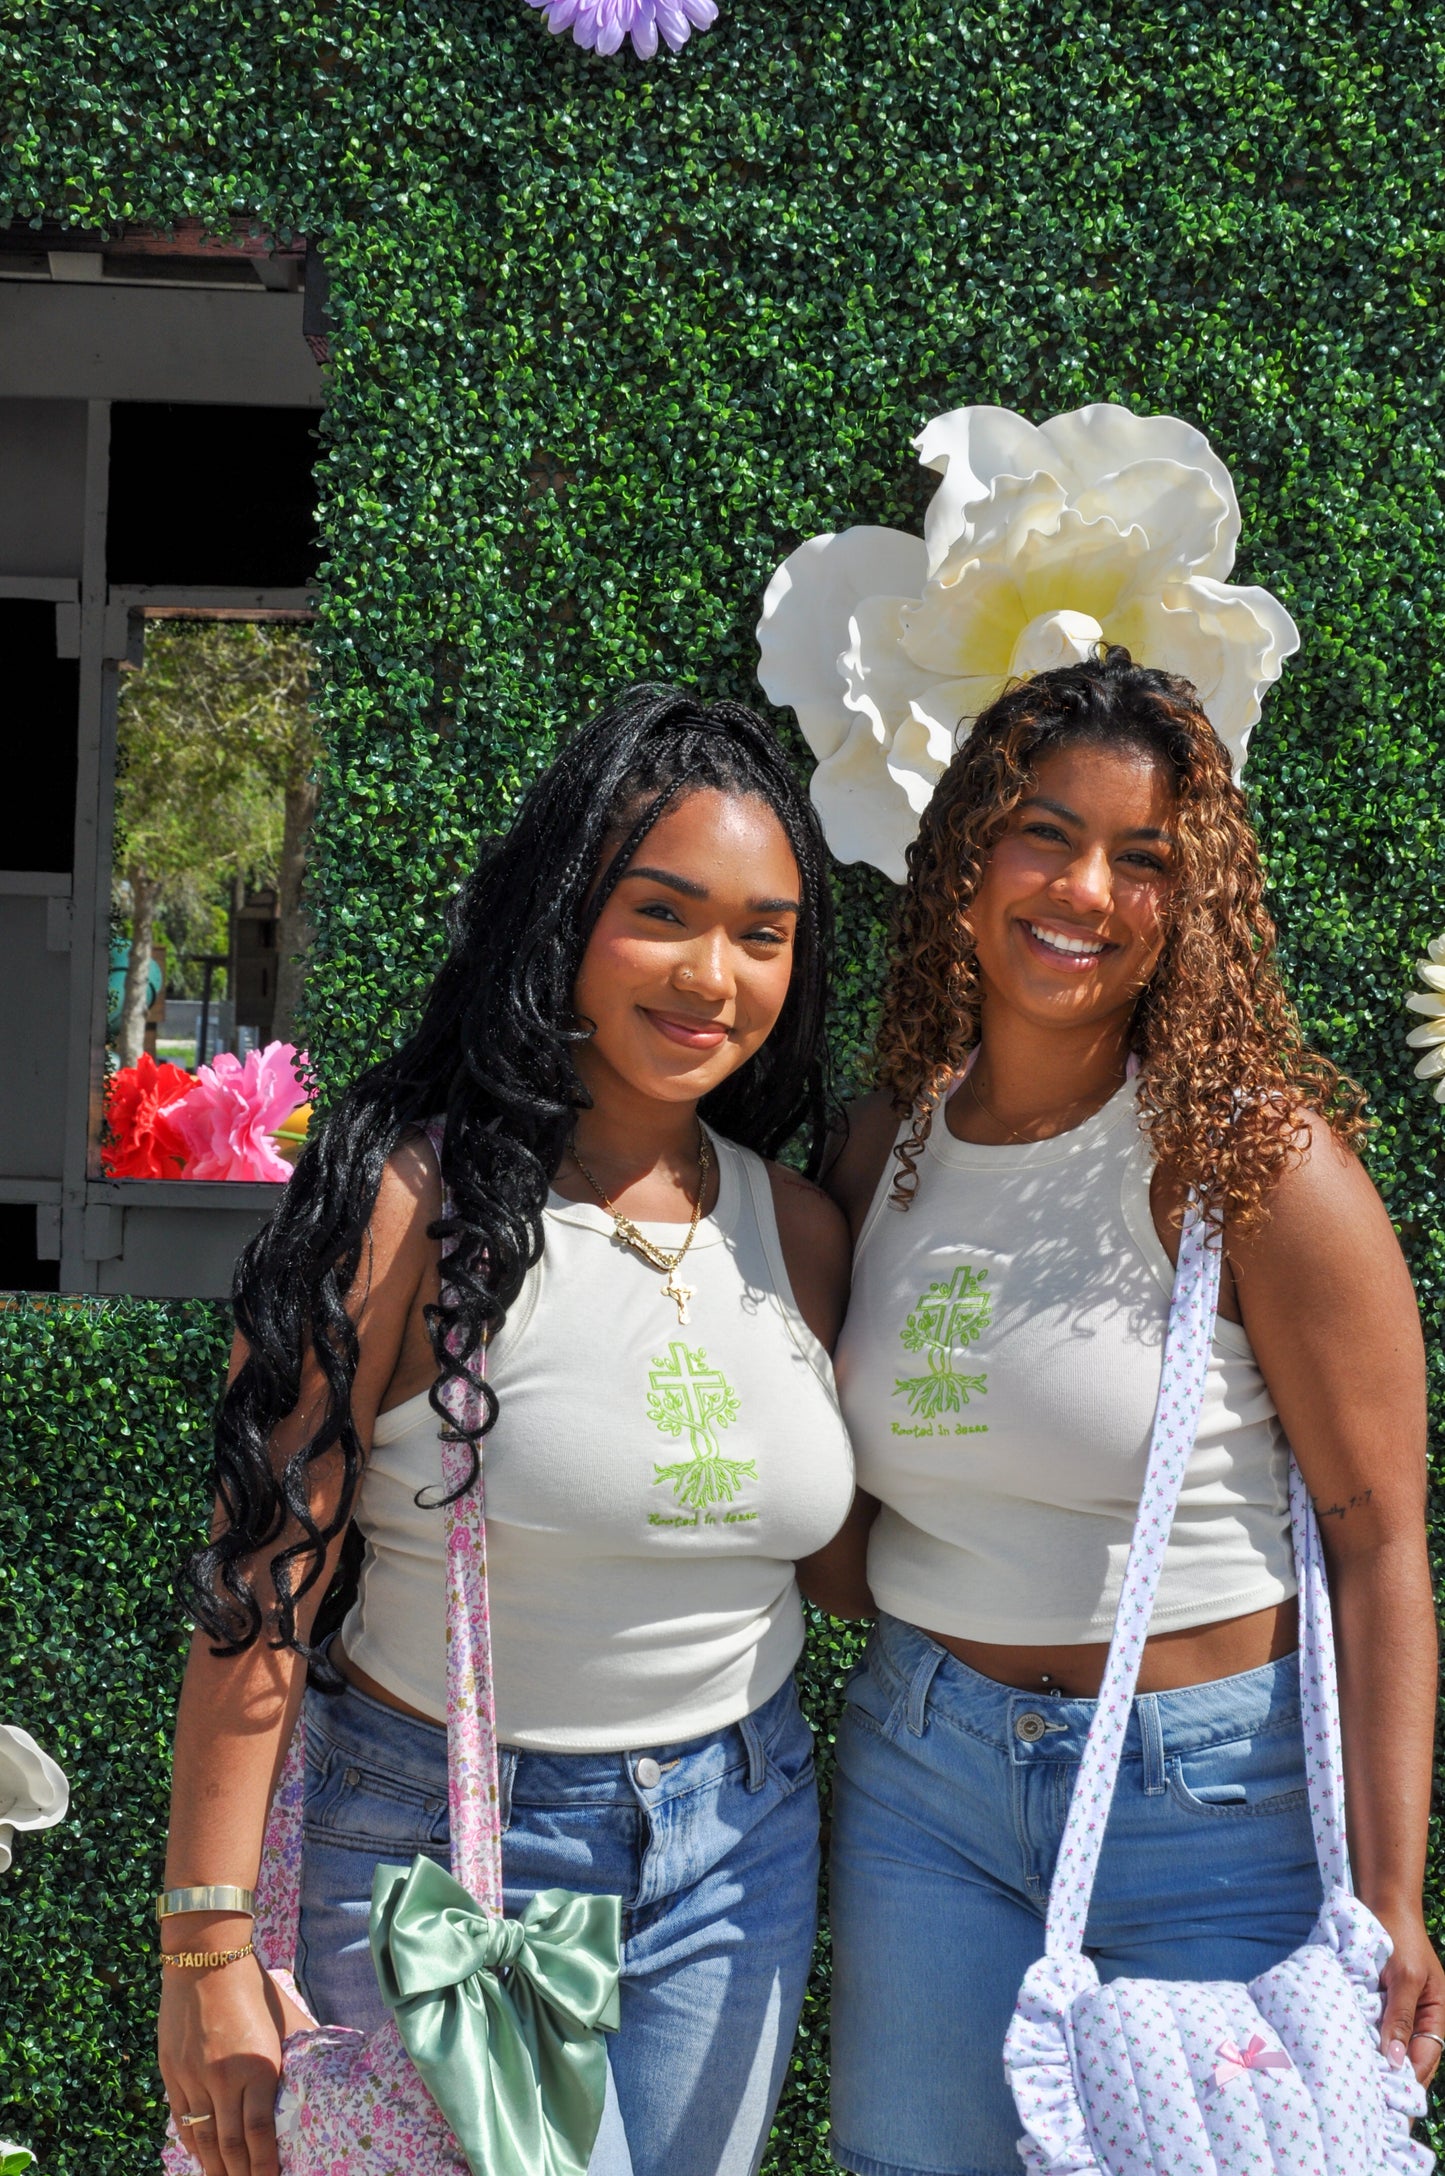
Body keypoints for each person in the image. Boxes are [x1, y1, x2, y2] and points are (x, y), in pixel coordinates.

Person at [157, 686, 856, 2176]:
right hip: (442, 1854)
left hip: (738, 1848)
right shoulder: (409, 1209)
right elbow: (262, 1567)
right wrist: (206, 1947)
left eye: (762, 932)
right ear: (561, 922)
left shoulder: (794, 1227)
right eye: (661, 916)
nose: (711, 975)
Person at [819, 647, 1443, 2176]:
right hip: (926, 1778)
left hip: (1207, 1795)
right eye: (1044, 830)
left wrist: (1389, 1892)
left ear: (1192, 902)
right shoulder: (884, 1144)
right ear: (966, 856)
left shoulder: (1249, 1164)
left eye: (1141, 856)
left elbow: (1377, 1548)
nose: (1083, 888)